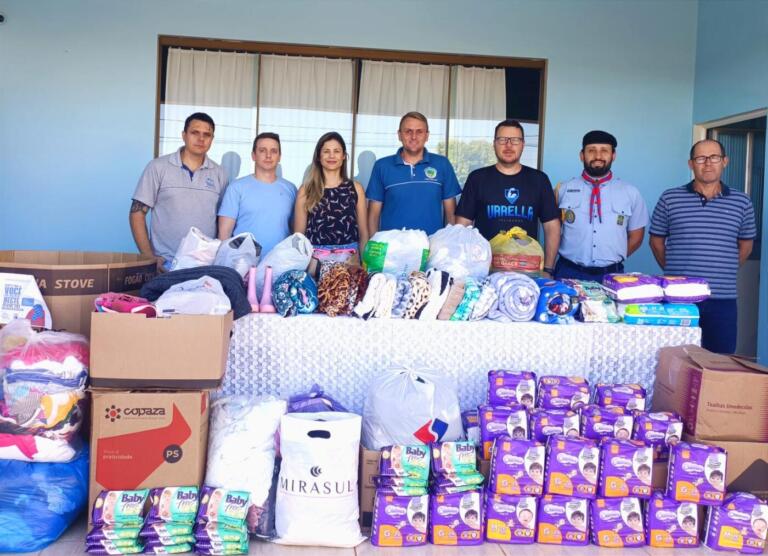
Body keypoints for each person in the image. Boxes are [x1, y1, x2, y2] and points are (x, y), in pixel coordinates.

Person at [649, 139, 756, 354]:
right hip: (679, 300)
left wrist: (724, 270)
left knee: (719, 361)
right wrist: (675, 273)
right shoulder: (670, 198)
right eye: (700, 158)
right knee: (675, 360)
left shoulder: (742, 202)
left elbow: (746, 245)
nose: (708, 163)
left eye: (714, 157)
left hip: (722, 299)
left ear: (725, 161)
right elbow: (656, 242)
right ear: (691, 164)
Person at [456, 119, 560, 276]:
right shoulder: (477, 178)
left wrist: (548, 269)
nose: (509, 145)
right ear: (494, 144)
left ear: (523, 144)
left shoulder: (539, 180)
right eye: (502, 139)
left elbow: (552, 226)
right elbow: (462, 226)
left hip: (527, 270)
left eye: (515, 140)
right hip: (485, 269)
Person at [130, 112, 229, 271]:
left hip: (203, 266)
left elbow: (223, 220)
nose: (201, 139)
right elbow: (137, 213)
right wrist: (148, 258)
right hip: (165, 265)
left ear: (212, 139)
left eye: (207, 134)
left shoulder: (219, 173)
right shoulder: (158, 167)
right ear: (184, 135)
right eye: (195, 133)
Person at [554, 130, 649, 281]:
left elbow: (636, 236)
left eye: (604, 151)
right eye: (591, 150)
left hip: (612, 275)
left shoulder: (630, 192)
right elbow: (553, 231)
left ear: (613, 155)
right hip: (568, 272)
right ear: (581, 155)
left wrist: (612, 258)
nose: (598, 156)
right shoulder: (562, 189)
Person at [367, 111, 461, 236]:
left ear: (427, 135)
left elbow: (451, 214)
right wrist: (374, 247)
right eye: (408, 131)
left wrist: (448, 246)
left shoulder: (442, 164)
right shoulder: (382, 166)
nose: (414, 136)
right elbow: (373, 216)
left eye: (419, 132)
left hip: (431, 249)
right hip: (392, 250)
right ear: (399, 135)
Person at [217, 132, 296, 257]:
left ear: (280, 156)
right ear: (253, 155)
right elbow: (224, 234)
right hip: (243, 265)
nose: (268, 155)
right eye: (262, 150)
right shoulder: (236, 188)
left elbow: (295, 231)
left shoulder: (291, 189)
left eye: (274, 151)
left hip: (280, 265)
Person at [293, 132, 369, 256]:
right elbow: (298, 237)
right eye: (326, 151)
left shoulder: (356, 188)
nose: (331, 156)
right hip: (315, 261)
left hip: (350, 261)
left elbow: (363, 233)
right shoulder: (306, 190)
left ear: (344, 156)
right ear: (318, 156)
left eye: (337, 151)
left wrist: (365, 265)